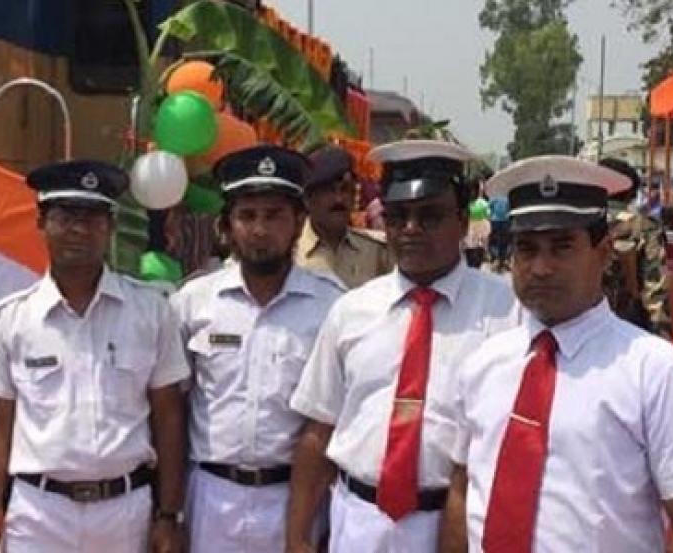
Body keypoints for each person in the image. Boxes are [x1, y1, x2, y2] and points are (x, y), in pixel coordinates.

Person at [440, 155, 673, 552]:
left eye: (562, 248)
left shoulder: (657, 372)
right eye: (526, 249)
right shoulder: (483, 364)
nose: (541, 268)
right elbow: (461, 490)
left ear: (604, 251)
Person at [285, 140, 520, 552]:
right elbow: (319, 430)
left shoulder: (508, 312)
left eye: (429, 216)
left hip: (455, 523)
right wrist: (298, 537)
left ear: (463, 221)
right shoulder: (351, 310)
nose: (411, 229)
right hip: (359, 520)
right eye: (398, 216)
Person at [0, 160, 189, 553]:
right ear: (41, 223)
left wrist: (169, 515)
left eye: (91, 219)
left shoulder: (151, 311)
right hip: (39, 513)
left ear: (110, 227)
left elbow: (169, 417)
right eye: (65, 217)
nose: (78, 230)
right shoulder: (12, 318)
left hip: (124, 511)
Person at [172, 145, 343, 552]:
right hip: (210, 497)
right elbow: (174, 410)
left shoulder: (333, 307)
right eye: (247, 216)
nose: (260, 230)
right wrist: (171, 511)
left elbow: (334, 421)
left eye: (274, 215)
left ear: (299, 221)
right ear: (227, 226)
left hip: (293, 498)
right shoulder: (193, 302)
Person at [293, 144, 393, 289]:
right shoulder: (291, 252)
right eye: (328, 191)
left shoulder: (376, 251)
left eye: (345, 190)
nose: (339, 199)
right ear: (308, 199)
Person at [598, 157, 671, 338]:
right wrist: (663, 339)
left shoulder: (579, 224)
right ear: (631, 192)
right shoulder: (645, 226)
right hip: (629, 329)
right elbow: (656, 290)